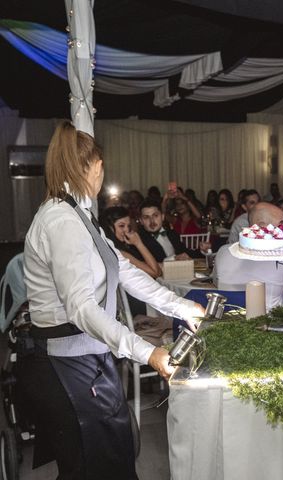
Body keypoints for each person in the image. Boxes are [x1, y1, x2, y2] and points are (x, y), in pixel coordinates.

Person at [21, 121, 204, 479]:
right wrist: (148, 352)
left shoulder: (81, 216)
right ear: (94, 167)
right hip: (65, 364)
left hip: (87, 356)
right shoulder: (61, 222)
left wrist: (183, 307)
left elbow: (126, 272)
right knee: (94, 465)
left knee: (114, 455)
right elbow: (82, 309)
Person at [214, 202, 283, 309]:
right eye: (281, 224)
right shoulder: (282, 257)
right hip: (267, 322)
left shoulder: (223, 251)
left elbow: (215, 281)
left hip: (228, 321)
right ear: (262, 226)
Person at [138, 198, 208, 262]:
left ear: (162, 217)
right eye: (146, 217)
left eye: (155, 215)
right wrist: (174, 258)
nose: (152, 221)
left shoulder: (172, 234)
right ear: (141, 221)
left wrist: (202, 250)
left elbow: (185, 253)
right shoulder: (139, 241)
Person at [100, 206, 162, 279]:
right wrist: (139, 244)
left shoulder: (123, 247)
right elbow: (155, 272)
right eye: (121, 226)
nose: (126, 230)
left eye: (128, 225)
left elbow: (157, 270)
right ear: (109, 228)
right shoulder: (118, 252)